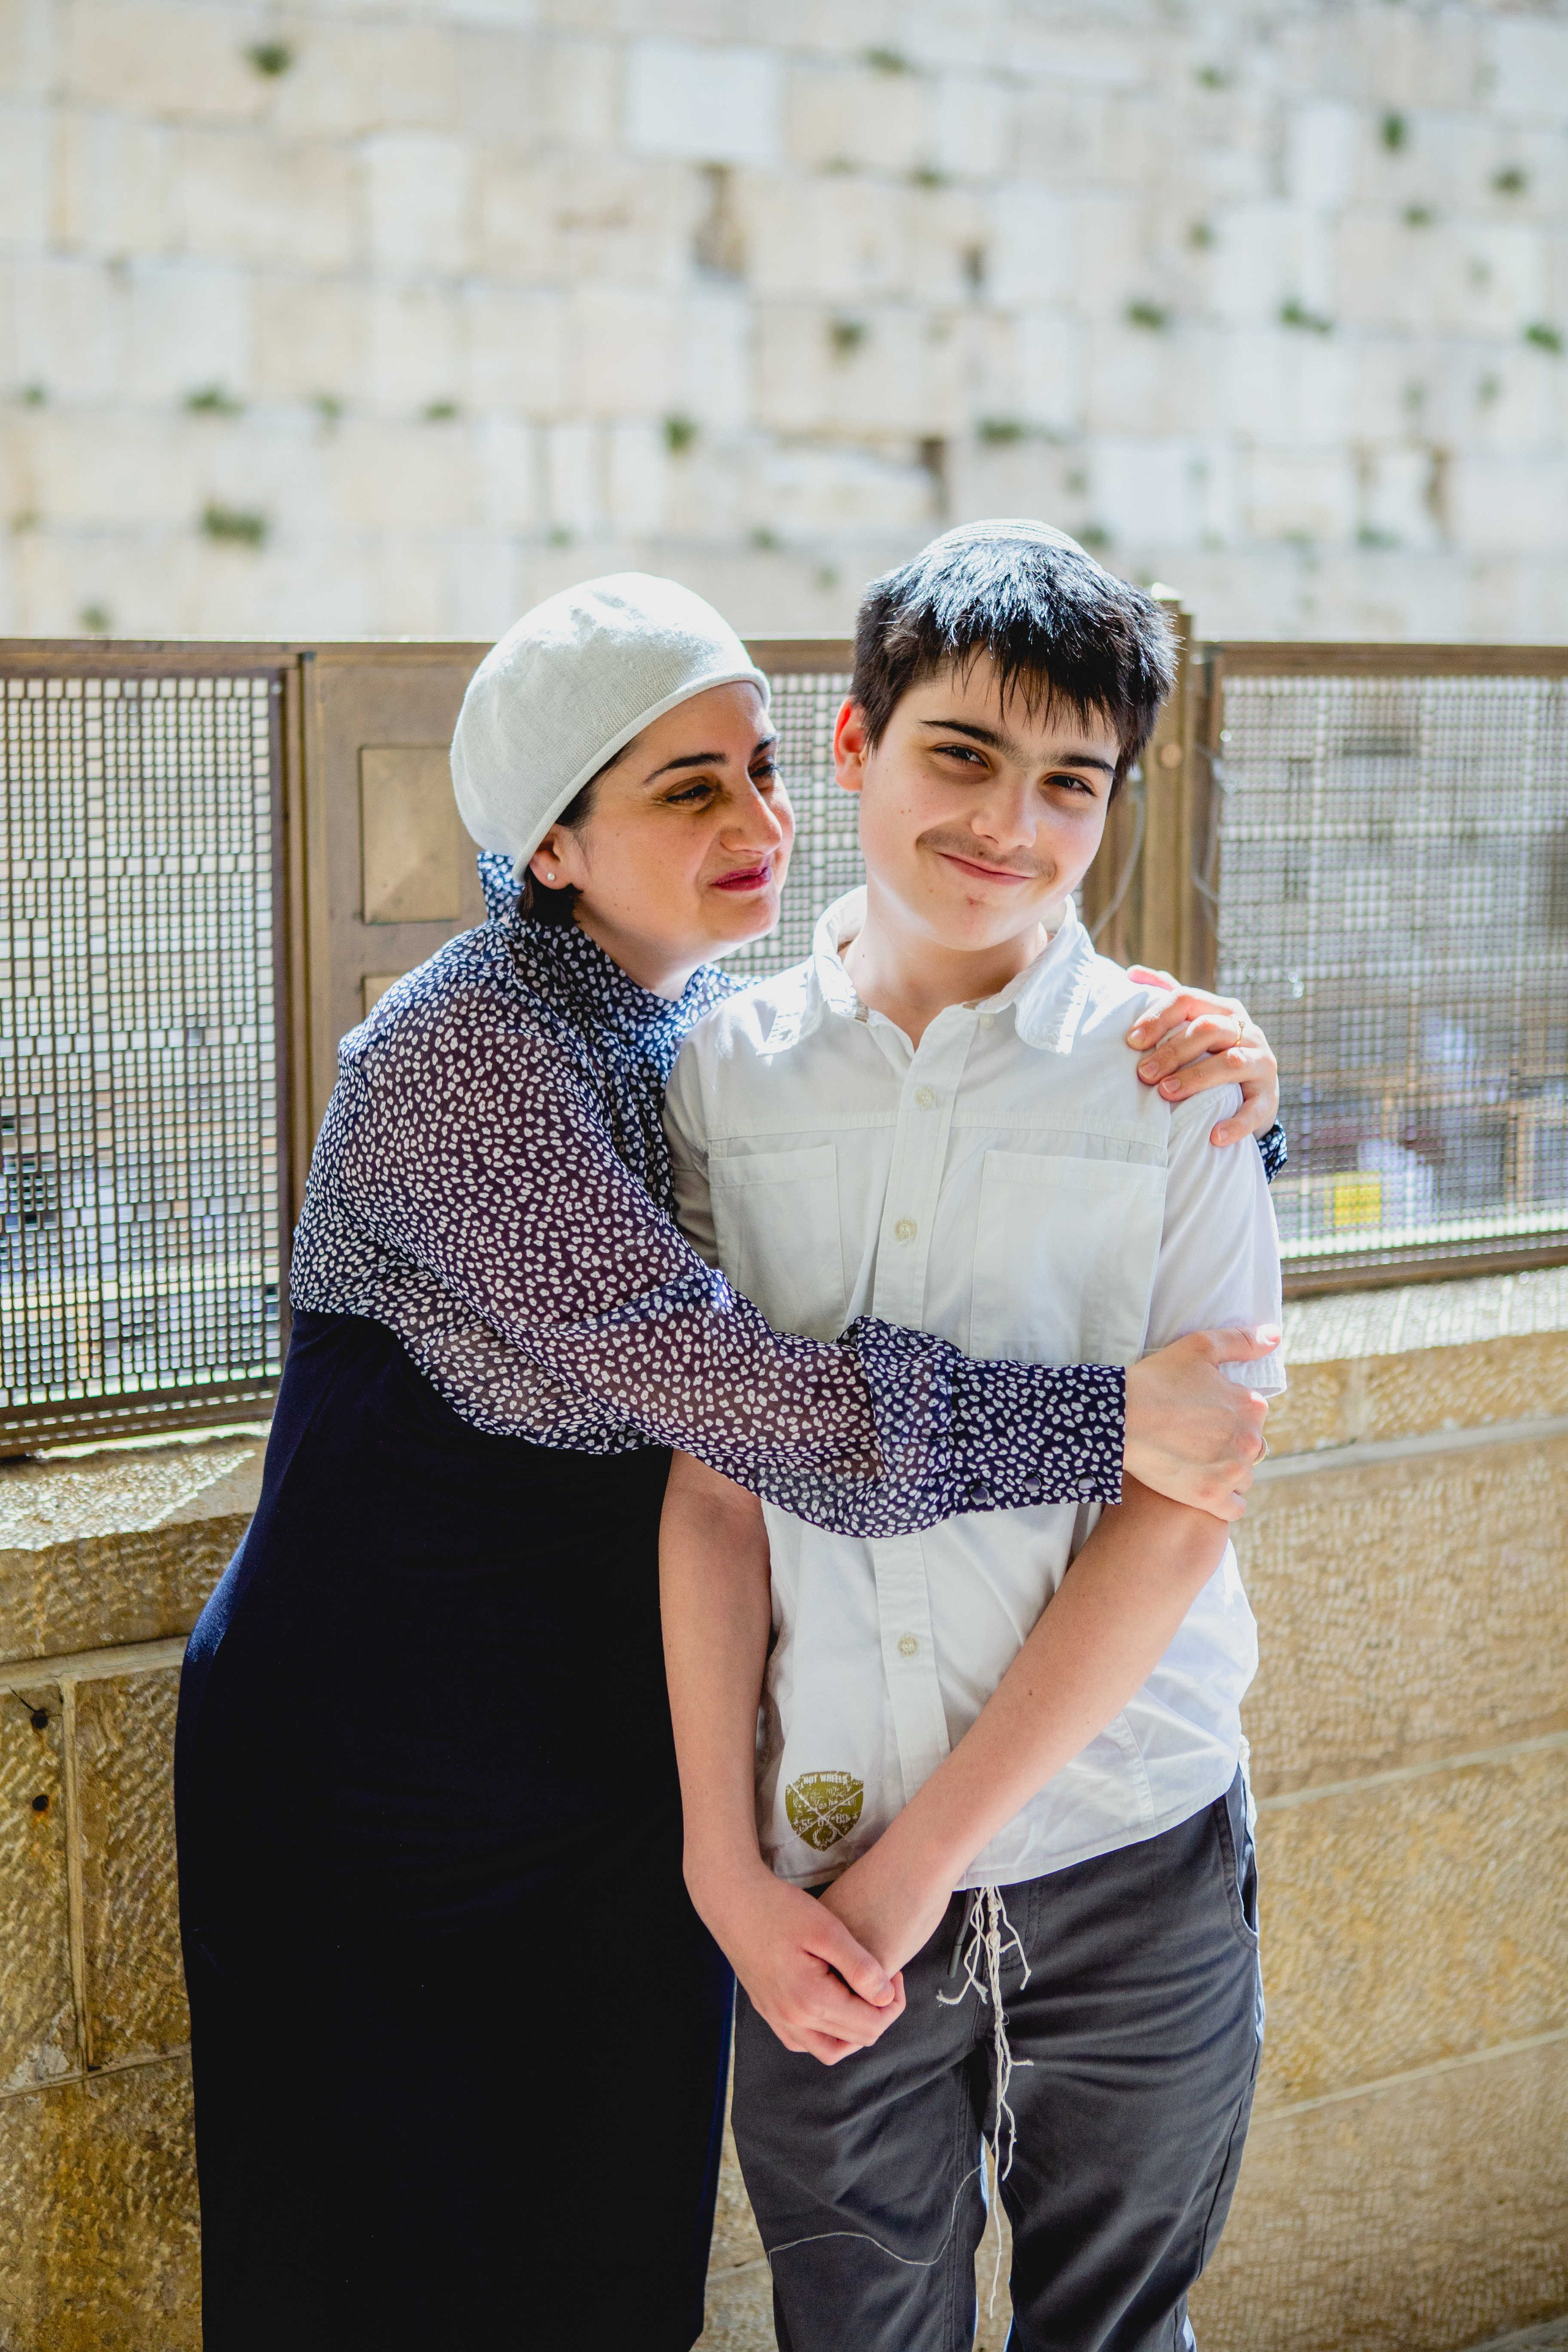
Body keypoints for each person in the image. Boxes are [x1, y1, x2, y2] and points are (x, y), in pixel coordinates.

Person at [175, 570, 1283, 2352]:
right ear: (551, 844)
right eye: (690, 790)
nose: (764, 820)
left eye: (765, 767)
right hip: (382, 1778)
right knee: (380, 2269)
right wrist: (1112, 1421)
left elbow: (980, 1116)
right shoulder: (466, 1058)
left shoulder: (704, 1035)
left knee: (607, 2269)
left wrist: (1231, 1105)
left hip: (606, 1755)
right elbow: (756, 1413)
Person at [660, 521, 1286, 2352]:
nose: (1010, 823)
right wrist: (723, 1863)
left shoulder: (1179, 1078)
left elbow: (1177, 1514)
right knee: (854, 2327)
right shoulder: (727, 1069)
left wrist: (924, 1864)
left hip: (1131, 1836)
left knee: (1116, 2328)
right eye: (961, 755)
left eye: (1070, 784)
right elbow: (712, 1480)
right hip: (811, 1857)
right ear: (853, 748)